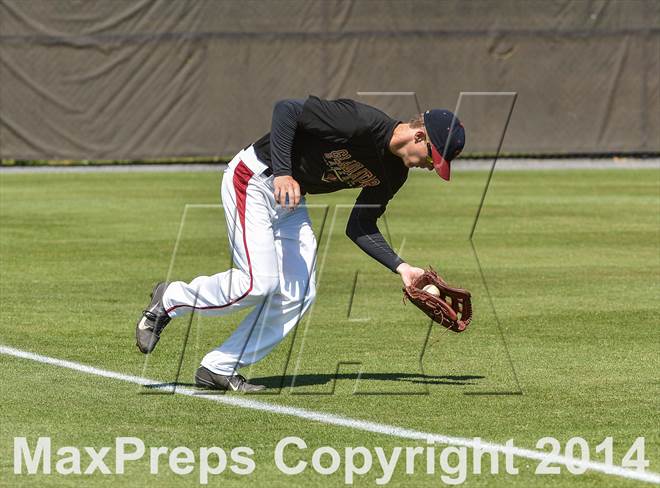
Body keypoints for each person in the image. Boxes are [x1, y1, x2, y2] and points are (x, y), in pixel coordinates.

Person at [135, 96, 465, 392]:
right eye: (432, 157)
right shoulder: (361, 122)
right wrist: (283, 172)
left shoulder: (394, 173)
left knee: (299, 293)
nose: (430, 167)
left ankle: (219, 368)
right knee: (256, 284)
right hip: (255, 179)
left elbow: (360, 226)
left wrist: (401, 267)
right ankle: (170, 298)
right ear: (419, 136)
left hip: (290, 202)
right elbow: (287, 110)